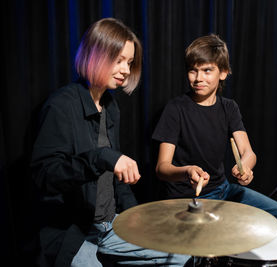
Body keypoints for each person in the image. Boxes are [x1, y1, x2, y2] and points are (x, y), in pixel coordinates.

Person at [31, 18, 190, 266]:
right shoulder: (61, 106)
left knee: (180, 256)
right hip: (72, 233)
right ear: (95, 55)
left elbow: (117, 182)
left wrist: (137, 217)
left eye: (129, 62)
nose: (126, 70)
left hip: (111, 224)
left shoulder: (110, 107)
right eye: (118, 61)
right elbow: (44, 176)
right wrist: (101, 157)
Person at [152, 34, 277, 229]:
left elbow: (248, 153)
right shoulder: (175, 109)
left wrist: (245, 168)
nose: (199, 78)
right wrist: (187, 171)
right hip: (187, 199)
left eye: (207, 70)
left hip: (223, 191)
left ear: (223, 72)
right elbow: (162, 168)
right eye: (193, 71)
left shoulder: (229, 108)